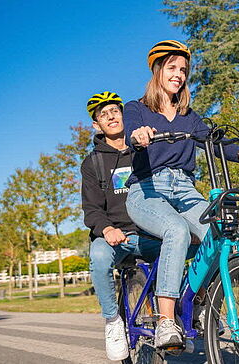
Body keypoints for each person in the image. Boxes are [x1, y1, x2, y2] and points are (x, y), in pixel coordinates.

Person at [123, 40, 239, 348]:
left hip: (184, 188)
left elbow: (214, 141)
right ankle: (166, 322)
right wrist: (139, 135)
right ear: (158, 70)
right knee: (176, 231)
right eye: (172, 68)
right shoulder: (137, 109)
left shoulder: (190, 116)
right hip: (147, 189)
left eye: (183, 70)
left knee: (219, 233)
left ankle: (197, 302)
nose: (179, 74)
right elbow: (131, 131)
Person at [81, 91, 162, 361]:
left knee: (187, 244)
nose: (111, 117)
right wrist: (107, 230)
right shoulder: (93, 163)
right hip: (114, 236)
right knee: (99, 256)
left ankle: (189, 309)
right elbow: (91, 209)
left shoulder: (144, 149)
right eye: (103, 115)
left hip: (147, 232)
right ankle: (113, 322)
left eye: (115, 111)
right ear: (97, 125)